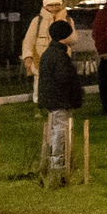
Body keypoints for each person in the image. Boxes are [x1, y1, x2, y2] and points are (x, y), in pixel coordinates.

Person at [35, 17, 83, 185]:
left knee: (58, 130)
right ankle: (57, 165)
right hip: (59, 101)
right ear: (65, 35)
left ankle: (59, 162)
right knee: (59, 132)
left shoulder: (53, 53)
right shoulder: (58, 55)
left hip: (55, 99)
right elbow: (64, 78)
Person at [19, 0, 72, 79]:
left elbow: (73, 39)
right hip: (40, 62)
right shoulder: (37, 20)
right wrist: (27, 57)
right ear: (45, 6)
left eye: (57, 5)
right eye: (51, 5)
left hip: (62, 63)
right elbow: (28, 40)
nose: (54, 8)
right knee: (41, 89)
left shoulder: (68, 20)